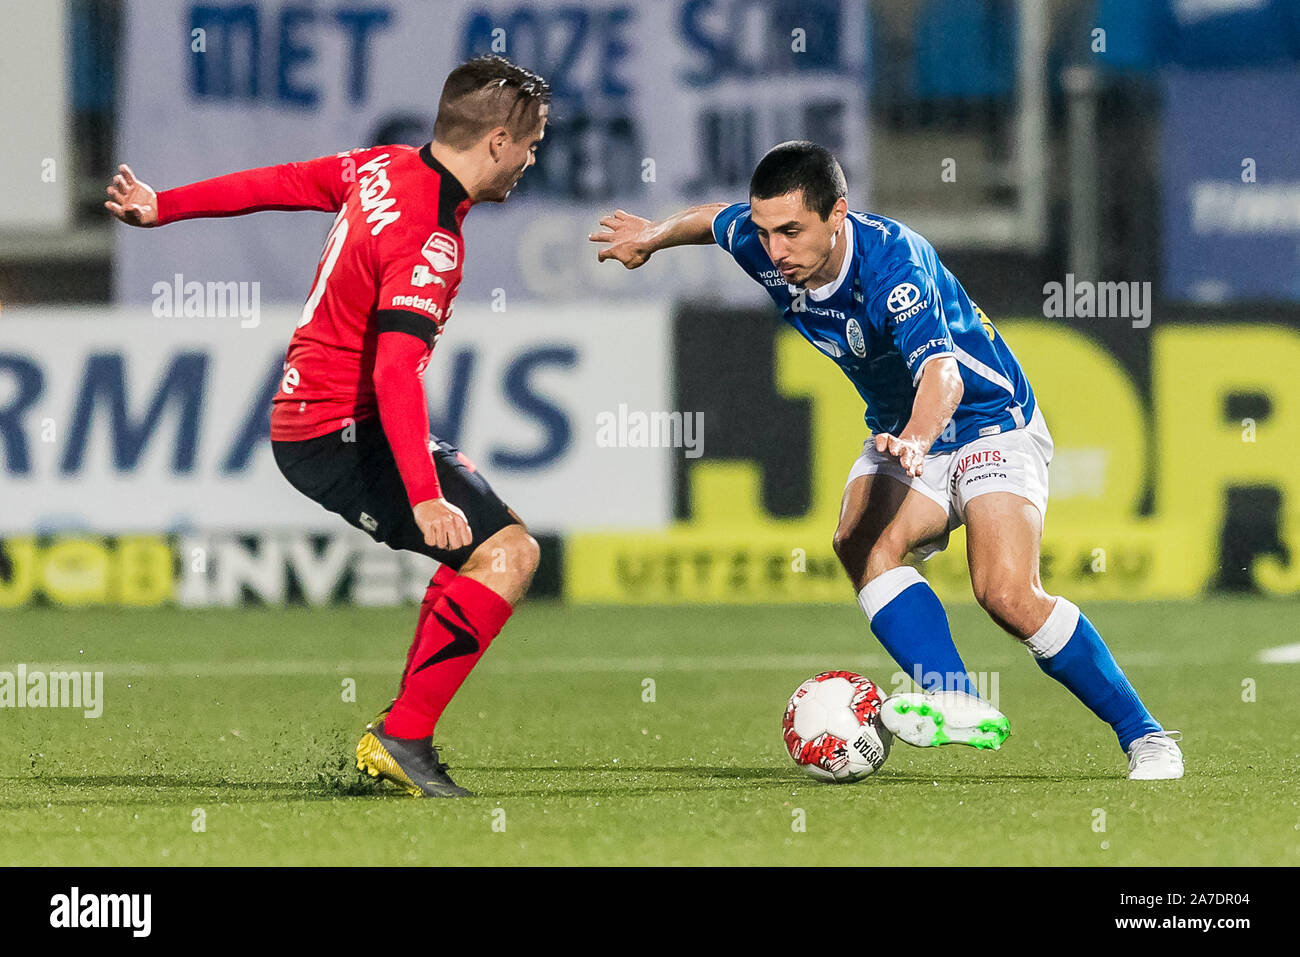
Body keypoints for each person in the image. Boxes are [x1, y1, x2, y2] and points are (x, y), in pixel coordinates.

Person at [589, 140, 1183, 780]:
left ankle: (1146, 736)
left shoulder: (892, 264)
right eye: (765, 233)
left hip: (989, 423)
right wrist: (652, 234)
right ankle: (952, 694)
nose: (775, 249)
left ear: (837, 213)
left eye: (791, 231)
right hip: (906, 433)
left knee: (1005, 593)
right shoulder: (764, 245)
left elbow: (943, 376)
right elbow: (714, 219)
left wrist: (919, 442)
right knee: (858, 539)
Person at [106, 55, 551, 797]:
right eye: (532, 143)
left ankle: (403, 729)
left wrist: (165, 205)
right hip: (336, 433)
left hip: (325, 419)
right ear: (498, 141)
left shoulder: (381, 167)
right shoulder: (430, 239)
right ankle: (403, 736)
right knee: (508, 556)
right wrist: (423, 492)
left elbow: (278, 181)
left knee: (498, 545)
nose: (532, 160)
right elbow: (394, 372)